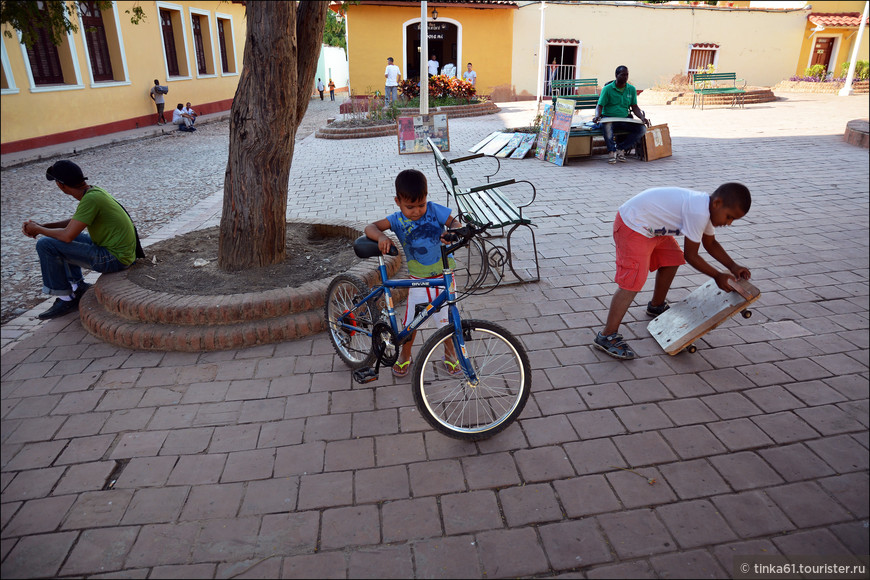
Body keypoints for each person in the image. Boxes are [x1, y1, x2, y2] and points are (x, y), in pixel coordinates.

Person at [593, 183, 752, 360]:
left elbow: (710, 244)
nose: (728, 223)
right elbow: (692, 256)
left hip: (653, 228)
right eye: (729, 217)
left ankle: (656, 306)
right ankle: (607, 335)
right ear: (717, 203)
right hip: (633, 225)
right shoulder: (698, 212)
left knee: (672, 259)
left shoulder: (706, 209)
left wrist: (733, 266)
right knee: (633, 281)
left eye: (733, 220)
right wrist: (717, 275)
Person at [364, 169, 461, 377]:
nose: (416, 211)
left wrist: (453, 231)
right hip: (418, 281)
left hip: (445, 277)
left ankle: (451, 355)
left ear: (427, 198)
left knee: (449, 321)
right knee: (411, 325)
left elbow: (454, 223)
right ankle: (405, 356)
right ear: (398, 201)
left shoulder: (435, 211)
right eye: (410, 207)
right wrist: (381, 237)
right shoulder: (397, 219)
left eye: (421, 205)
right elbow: (370, 227)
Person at [22, 160, 141, 319]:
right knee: (62, 238)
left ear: (60, 185)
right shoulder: (93, 192)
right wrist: (43, 226)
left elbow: (67, 235)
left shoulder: (90, 199)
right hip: (120, 253)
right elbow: (75, 223)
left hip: (115, 258)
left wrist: (38, 230)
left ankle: (66, 299)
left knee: (46, 244)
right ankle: (77, 287)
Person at [593, 65, 651, 164]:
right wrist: (597, 116)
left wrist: (642, 117)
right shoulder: (607, 89)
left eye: (627, 75)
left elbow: (635, 106)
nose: (625, 77)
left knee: (641, 129)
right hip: (608, 118)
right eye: (622, 75)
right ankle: (611, 152)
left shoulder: (631, 89)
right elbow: (599, 105)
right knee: (606, 126)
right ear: (616, 75)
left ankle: (621, 149)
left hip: (624, 119)